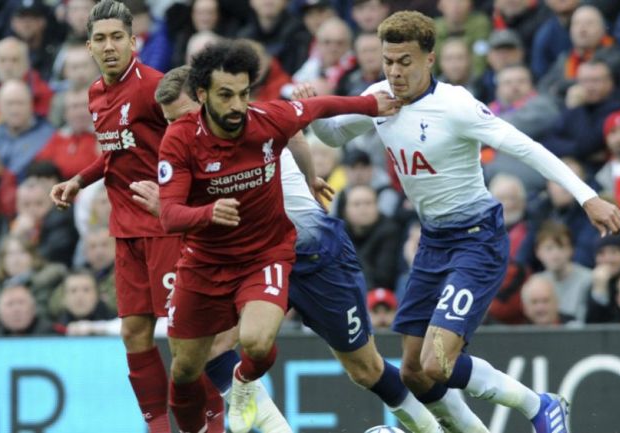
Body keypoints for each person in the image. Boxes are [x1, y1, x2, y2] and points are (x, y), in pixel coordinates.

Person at [300, 10, 620, 433]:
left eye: (405, 61)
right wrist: (314, 110)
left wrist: (588, 197)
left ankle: (540, 405)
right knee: (415, 371)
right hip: (433, 240)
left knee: (439, 361)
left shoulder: (456, 106)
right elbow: (333, 136)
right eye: (388, 61)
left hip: (477, 238)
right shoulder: (380, 96)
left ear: (429, 59)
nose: (395, 72)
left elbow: (527, 147)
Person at [151, 63, 441, 433]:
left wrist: (307, 178)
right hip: (253, 260)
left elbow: (301, 126)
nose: (176, 127)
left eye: (183, 116)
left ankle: (431, 428)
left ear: (204, 99)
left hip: (314, 255)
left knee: (364, 368)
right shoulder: (184, 146)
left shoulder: (254, 125)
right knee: (212, 350)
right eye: (169, 121)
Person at [47, 3, 218, 432]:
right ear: (88, 45)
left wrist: (175, 192)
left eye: (117, 37)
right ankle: (158, 427)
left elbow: (197, 140)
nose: (109, 46)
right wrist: (79, 181)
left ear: (133, 40)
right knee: (134, 335)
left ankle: (214, 419)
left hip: (165, 229)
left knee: (185, 343)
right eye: (100, 39)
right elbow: (116, 151)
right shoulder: (94, 94)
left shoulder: (153, 88)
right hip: (125, 232)